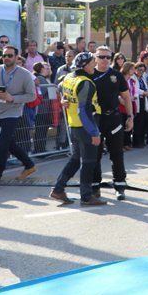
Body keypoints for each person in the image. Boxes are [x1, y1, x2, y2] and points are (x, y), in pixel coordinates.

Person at [50, 52, 106, 207]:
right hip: (86, 126)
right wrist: (94, 133)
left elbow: (60, 87)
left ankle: (58, 189)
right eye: (93, 62)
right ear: (86, 65)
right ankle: (86, 197)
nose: (95, 64)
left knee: (75, 159)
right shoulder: (85, 82)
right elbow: (84, 110)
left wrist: (63, 99)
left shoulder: (70, 77)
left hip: (74, 125)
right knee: (88, 162)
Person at [0, 45, 36, 191]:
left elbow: (32, 95)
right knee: (8, 143)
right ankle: (29, 165)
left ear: (16, 57)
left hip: (13, 113)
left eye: (10, 55)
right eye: (4, 55)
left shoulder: (25, 74)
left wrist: (12, 98)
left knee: (1, 144)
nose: (6, 58)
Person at [90, 46, 132, 200]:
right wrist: (64, 100)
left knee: (117, 154)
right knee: (95, 154)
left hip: (114, 118)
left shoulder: (116, 75)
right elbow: (67, 87)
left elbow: (126, 97)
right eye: (102, 57)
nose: (105, 60)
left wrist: (130, 116)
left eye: (108, 57)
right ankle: (95, 186)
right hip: (95, 120)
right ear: (95, 58)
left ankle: (120, 186)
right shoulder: (88, 74)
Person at [31, 62, 53, 153]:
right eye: (46, 67)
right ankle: (39, 150)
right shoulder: (40, 78)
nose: (48, 69)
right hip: (42, 109)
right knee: (41, 130)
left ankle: (40, 149)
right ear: (41, 69)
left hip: (44, 109)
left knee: (42, 130)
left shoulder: (44, 78)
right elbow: (42, 92)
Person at [120, 62, 139, 151]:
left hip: (131, 103)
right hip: (122, 104)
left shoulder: (132, 80)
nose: (133, 70)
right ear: (127, 69)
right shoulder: (120, 79)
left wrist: (134, 96)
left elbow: (135, 91)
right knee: (122, 123)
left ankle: (127, 143)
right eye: (132, 69)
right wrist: (121, 99)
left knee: (130, 123)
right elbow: (117, 92)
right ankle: (121, 144)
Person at [133, 62, 148, 148]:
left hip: (143, 100)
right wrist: (144, 92)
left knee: (143, 122)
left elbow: (146, 87)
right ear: (135, 69)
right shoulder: (133, 78)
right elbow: (135, 89)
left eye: (143, 70)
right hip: (136, 101)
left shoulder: (143, 78)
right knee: (137, 123)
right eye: (139, 70)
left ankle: (142, 140)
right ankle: (136, 142)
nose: (141, 72)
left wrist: (147, 91)